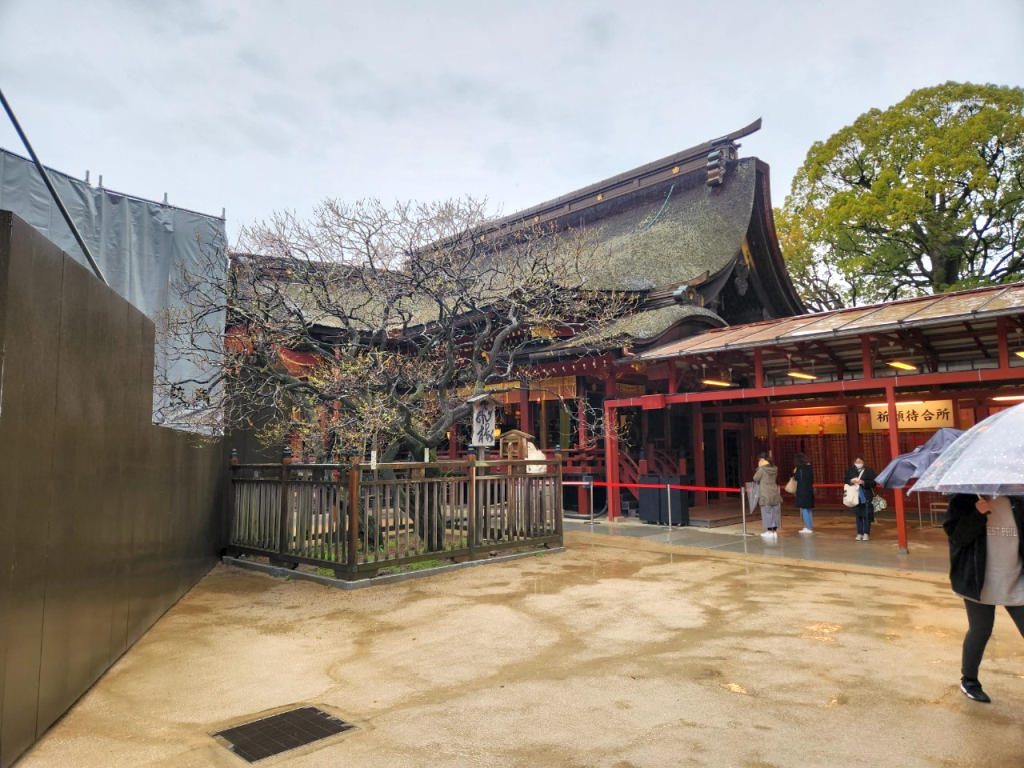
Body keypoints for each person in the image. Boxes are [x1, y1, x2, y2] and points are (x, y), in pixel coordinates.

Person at [943, 494, 1024, 703]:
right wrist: (976, 514)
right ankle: (969, 680)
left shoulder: (1018, 499)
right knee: (981, 630)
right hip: (978, 579)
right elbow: (957, 537)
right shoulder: (964, 499)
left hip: (1015, 578)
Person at [844, 454, 877, 541]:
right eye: (856, 462)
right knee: (858, 515)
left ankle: (866, 533)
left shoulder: (869, 470)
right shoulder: (850, 470)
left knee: (867, 514)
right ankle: (859, 533)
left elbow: (874, 483)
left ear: (863, 462)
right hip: (855, 495)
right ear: (854, 462)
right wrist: (851, 481)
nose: (858, 463)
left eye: (860, 462)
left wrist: (863, 482)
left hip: (866, 495)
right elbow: (845, 480)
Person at [753, 452, 782, 540]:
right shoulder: (774, 468)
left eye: (759, 460)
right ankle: (774, 531)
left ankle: (769, 531)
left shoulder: (761, 469)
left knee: (767, 512)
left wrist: (759, 467)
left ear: (762, 460)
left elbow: (755, 478)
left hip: (765, 493)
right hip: (774, 492)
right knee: (775, 512)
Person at [792, 453, 815, 534]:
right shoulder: (809, 468)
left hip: (802, 489)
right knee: (808, 508)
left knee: (804, 508)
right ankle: (810, 526)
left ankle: (808, 527)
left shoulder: (799, 468)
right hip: (809, 488)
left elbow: (796, 478)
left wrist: (794, 472)